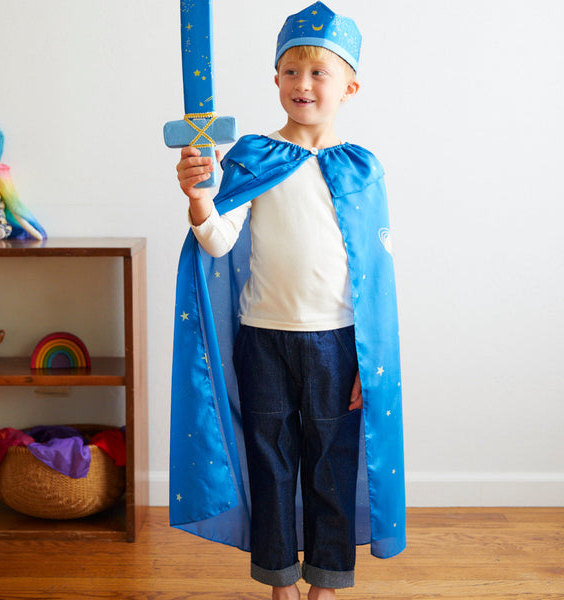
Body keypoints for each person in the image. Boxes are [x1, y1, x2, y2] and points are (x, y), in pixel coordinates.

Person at [171, 3, 406, 599]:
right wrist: (199, 199)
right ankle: (278, 582)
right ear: (275, 79)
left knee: (331, 465)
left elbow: (375, 281)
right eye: (292, 71)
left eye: (319, 73)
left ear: (349, 86)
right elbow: (219, 242)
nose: (303, 84)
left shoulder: (361, 169)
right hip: (264, 339)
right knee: (271, 464)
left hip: (336, 344)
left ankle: (324, 585)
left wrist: (366, 360)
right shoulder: (255, 156)